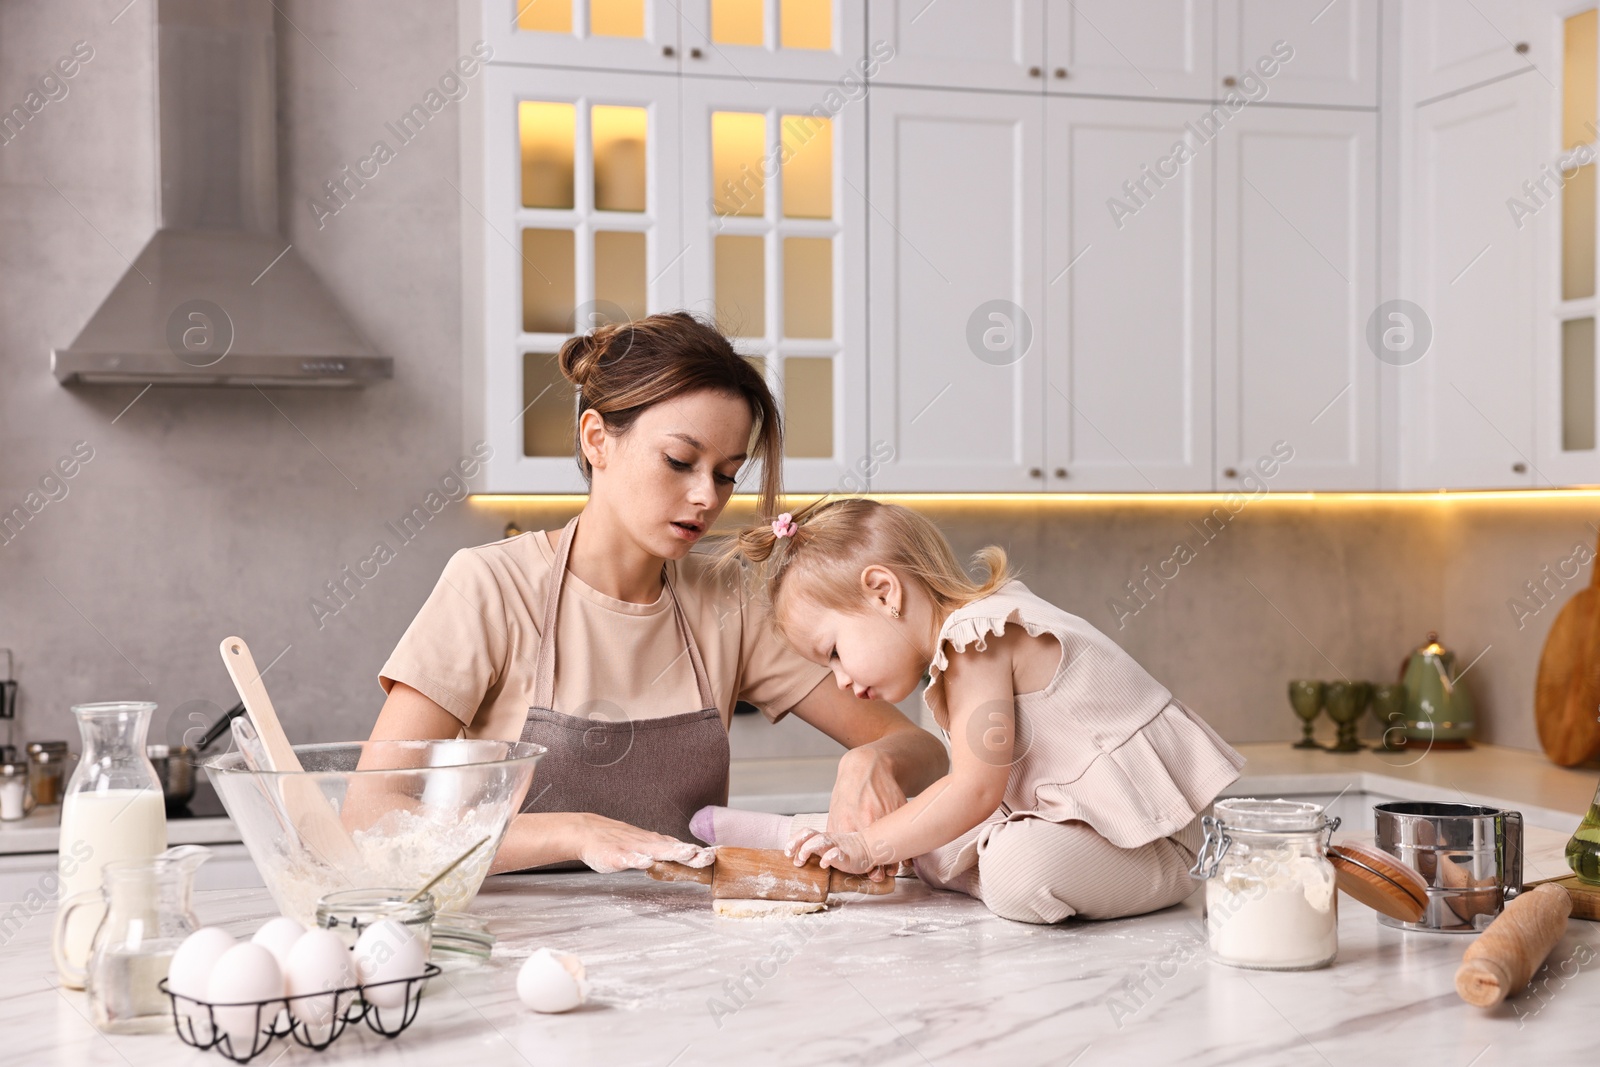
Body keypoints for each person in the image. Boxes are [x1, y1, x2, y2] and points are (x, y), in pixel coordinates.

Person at [369, 312, 947, 875]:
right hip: (521, 949)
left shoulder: (726, 603)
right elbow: (371, 818)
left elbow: (924, 750)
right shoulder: (491, 587)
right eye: (679, 461)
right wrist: (573, 832)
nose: (705, 496)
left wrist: (870, 759)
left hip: (681, 952)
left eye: (725, 474)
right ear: (597, 440)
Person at [724, 497, 1245, 924]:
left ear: (884, 592)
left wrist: (871, 846)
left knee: (1012, 865)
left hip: (1163, 841)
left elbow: (975, 792)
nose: (839, 679)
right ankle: (833, 841)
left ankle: (873, 850)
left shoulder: (975, 639)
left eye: (834, 650)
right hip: (1088, 826)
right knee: (928, 831)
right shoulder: (960, 647)